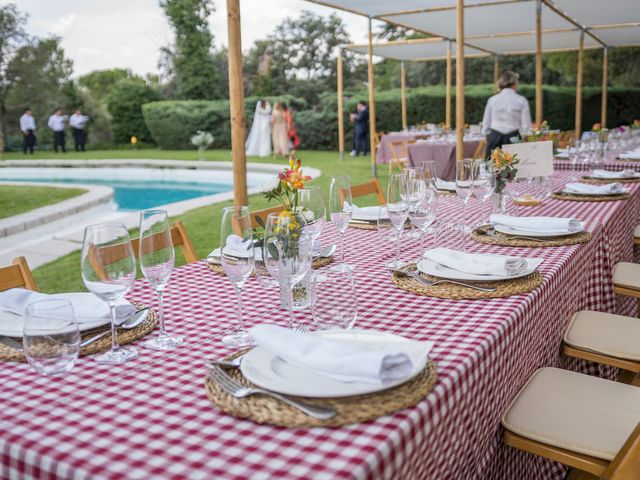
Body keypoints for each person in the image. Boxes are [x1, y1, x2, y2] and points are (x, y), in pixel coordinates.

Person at [481, 71, 532, 158]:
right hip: (514, 137)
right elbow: (526, 125)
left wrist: (486, 134)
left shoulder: (492, 99)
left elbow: (486, 122)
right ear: (515, 83)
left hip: (494, 136)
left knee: (491, 168)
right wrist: (524, 137)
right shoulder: (521, 100)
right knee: (515, 168)